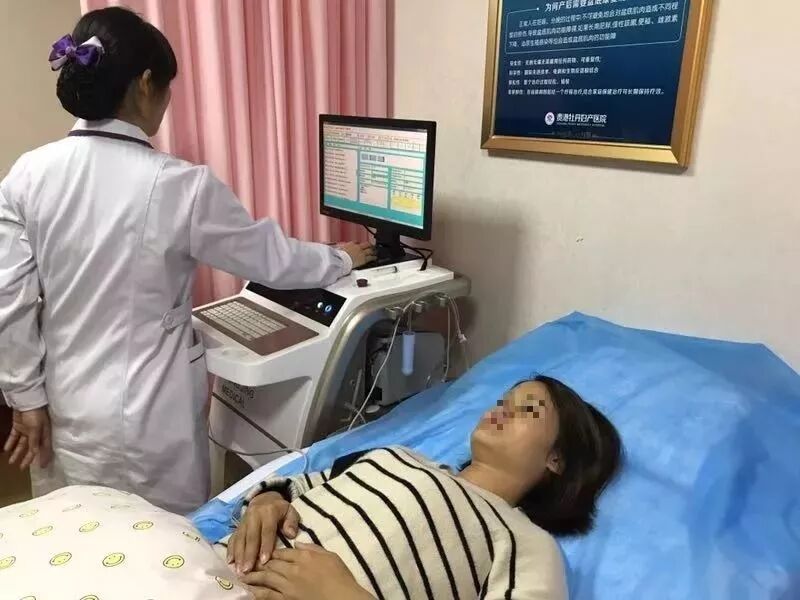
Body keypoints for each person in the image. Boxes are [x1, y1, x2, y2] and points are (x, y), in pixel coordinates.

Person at [0, 7, 374, 514]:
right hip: (146, 418)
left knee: (76, 535)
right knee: (163, 544)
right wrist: (338, 259)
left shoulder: (27, 174)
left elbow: (9, 302)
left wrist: (26, 398)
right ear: (145, 85)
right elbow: (271, 259)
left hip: (63, 407)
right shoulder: (179, 185)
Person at [225, 376, 623, 600]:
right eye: (503, 400)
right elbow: (295, 486)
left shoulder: (526, 543)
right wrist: (266, 501)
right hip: (212, 569)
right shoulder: (397, 456)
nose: (501, 409)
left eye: (527, 408)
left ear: (558, 459)